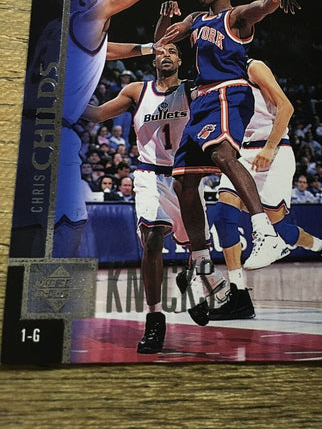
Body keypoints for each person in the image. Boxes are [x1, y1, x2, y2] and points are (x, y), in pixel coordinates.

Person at [153, 0, 301, 319]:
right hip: (202, 98)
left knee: (222, 154)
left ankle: (264, 232)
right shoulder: (195, 19)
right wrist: (163, 18)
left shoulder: (233, 18)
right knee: (183, 181)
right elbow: (161, 42)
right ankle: (202, 259)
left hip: (228, 92)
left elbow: (258, 8)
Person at [52, 0, 197, 258]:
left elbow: (109, 50)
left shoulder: (57, 30)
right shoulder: (88, 16)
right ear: (82, 1)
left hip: (41, 124)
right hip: (137, 167)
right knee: (70, 226)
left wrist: (151, 47)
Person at [83, 40, 225, 353]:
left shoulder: (191, 90)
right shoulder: (137, 91)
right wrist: (69, 98)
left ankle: (193, 286)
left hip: (185, 178)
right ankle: (155, 318)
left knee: (197, 249)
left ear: (181, 61)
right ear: (154, 60)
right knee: (152, 240)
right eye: (161, 51)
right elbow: (96, 114)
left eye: (173, 51)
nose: (166, 55)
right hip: (148, 174)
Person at [209, 59, 322, 320]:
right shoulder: (214, 79)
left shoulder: (253, 67)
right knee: (223, 215)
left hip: (272, 149)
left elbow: (286, 107)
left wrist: (269, 148)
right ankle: (239, 296)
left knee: (279, 228)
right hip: (240, 155)